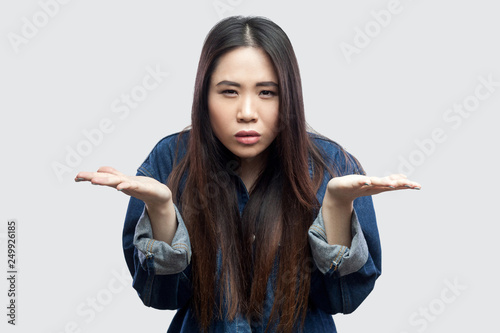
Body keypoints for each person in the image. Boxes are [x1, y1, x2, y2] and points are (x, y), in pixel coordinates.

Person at [75, 15, 420, 333]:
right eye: (229, 91)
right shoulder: (170, 161)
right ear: (203, 95)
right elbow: (161, 298)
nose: (247, 112)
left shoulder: (332, 166)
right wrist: (163, 210)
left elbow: (344, 299)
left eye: (267, 92)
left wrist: (336, 207)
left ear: (290, 98)